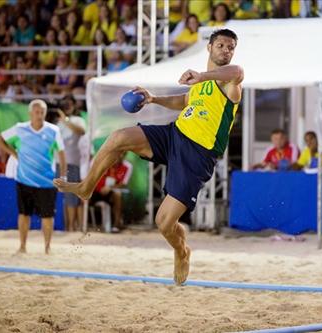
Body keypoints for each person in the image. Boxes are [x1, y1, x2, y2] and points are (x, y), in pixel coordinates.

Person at [53, 29, 243, 285]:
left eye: (231, 47)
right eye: (221, 45)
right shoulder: (200, 85)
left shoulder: (230, 83)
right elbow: (184, 101)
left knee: (164, 223)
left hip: (198, 155)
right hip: (175, 134)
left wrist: (201, 75)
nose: (226, 50)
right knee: (118, 138)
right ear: (209, 47)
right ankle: (86, 187)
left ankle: (181, 251)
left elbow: (237, 72)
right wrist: (153, 99)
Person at [0, 99, 66, 254]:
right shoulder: (20, 129)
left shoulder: (53, 131)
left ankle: (47, 248)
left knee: (47, 217)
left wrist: (63, 177)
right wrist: (14, 153)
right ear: (30, 113)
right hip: (24, 179)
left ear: (45, 113)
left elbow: (62, 155)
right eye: (37, 112)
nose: (39, 115)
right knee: (24, 214)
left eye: (42, 112)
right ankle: (22, 246)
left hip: (47, 181)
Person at [57, 94, 86, 232]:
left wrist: (65, 120)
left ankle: (71, 228)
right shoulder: (57, 122)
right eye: (64, 104)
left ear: (74, 105)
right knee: (60, 196)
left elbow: (81, 131)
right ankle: (65, 226)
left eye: (69, 104)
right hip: (58, 163)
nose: (67, 106)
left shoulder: (78, 120)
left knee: (71, 197)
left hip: (72, 162)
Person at [90, 155, 133, 233]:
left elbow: (123, 184)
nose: (117, 158)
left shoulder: (127, 166)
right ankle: (82, 224)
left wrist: (109, 187)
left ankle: (116, 224)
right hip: (97, 191)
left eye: (120, 155)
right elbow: (94, 178)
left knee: (117, 195)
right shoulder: (104, 163)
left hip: (110, 193)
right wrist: (101, 188)